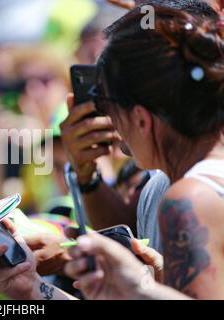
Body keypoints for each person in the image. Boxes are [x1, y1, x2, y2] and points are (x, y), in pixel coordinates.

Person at [66, 4, 224, 299]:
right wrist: (32, 291)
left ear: (140, 118)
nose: (105, 116)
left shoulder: (191, 198)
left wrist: (139, 288)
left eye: (105, 99)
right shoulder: (161, 187)